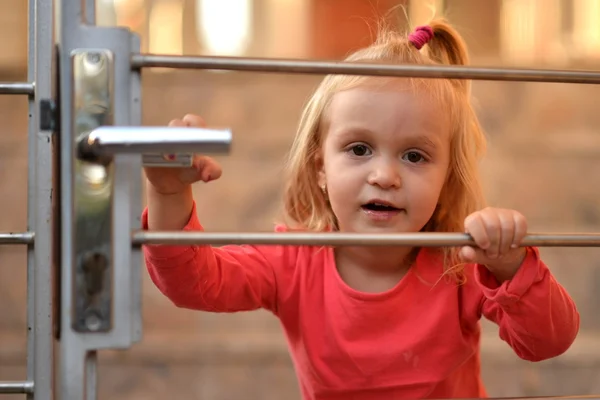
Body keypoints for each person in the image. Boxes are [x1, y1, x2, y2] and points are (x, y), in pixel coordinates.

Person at [141, 18, 580, 400]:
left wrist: (511, 268)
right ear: (321, 169)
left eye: (414, 156)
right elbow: (193, 283)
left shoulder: (461, 265)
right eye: (359, 149)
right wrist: (167, 193)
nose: (385, 175)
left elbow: (549, 341)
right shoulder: (292, 263)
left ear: (446, 182)